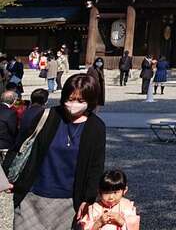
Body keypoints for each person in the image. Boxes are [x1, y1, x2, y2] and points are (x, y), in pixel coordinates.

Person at [4, 73, 106, 230]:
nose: (74, 104)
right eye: (70, 99)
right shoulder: (47, 116)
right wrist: (6, 176)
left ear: (90, 101)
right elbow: (20, 145)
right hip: (32, 195)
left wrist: (89, 198)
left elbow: (96, 166)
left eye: (80, 101)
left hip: (69, 200)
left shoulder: (96, 127)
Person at [75, 169, 139, 230]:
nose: (111, 197)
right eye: (106, 193)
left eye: (115, 192)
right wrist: (99, 222)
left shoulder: (126, 206)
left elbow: (134, 227)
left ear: (124, 191)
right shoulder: (94, 208)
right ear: (99, 192)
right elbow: (86, 228)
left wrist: (121, 221)